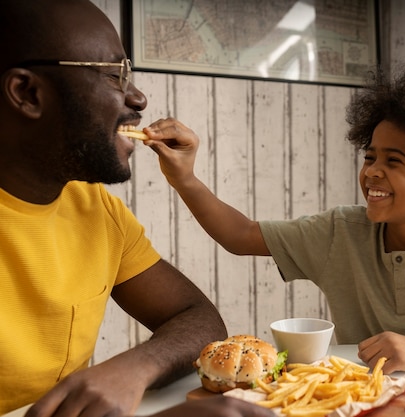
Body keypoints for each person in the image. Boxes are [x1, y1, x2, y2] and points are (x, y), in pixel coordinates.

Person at [143, 62, 405, 375]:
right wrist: (186, 178)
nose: (372, 171)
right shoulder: (340, 232)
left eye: (394, 160)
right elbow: (240, 235)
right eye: (370, 156)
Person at [0, 1, 274, 417]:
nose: (138, 98)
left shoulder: (95, 209)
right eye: (113, 75)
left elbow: (196, 317)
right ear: (28, 93)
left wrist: (134, 367)